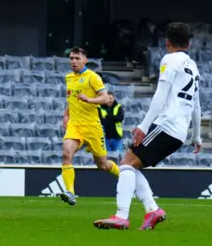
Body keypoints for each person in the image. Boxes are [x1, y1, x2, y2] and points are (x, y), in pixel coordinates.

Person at [94, 22, 202, 230]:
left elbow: (161, 95)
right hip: (180, 131)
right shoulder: (193, 66)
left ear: (167, 42)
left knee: (126, 164)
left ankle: (122, 216)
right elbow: (196, 103)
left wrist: (144, 126)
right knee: (131, 164)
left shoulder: (170, 60)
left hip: (167, 124)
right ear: (188, 45)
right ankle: (152, 210)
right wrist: (196, 136)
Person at [60, 46, 120, 206]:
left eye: (77, 58)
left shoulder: (92, 77)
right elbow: (71, 100)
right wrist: (66, 115)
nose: (73, 61)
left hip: (92, 126)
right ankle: (70, 193)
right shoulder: (69, 78)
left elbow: (106, 98)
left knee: (103, 165)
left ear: (85, 60)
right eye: (71, 58)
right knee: (66, 154)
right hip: (75, 125)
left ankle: (126, 179)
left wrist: (89, 100)